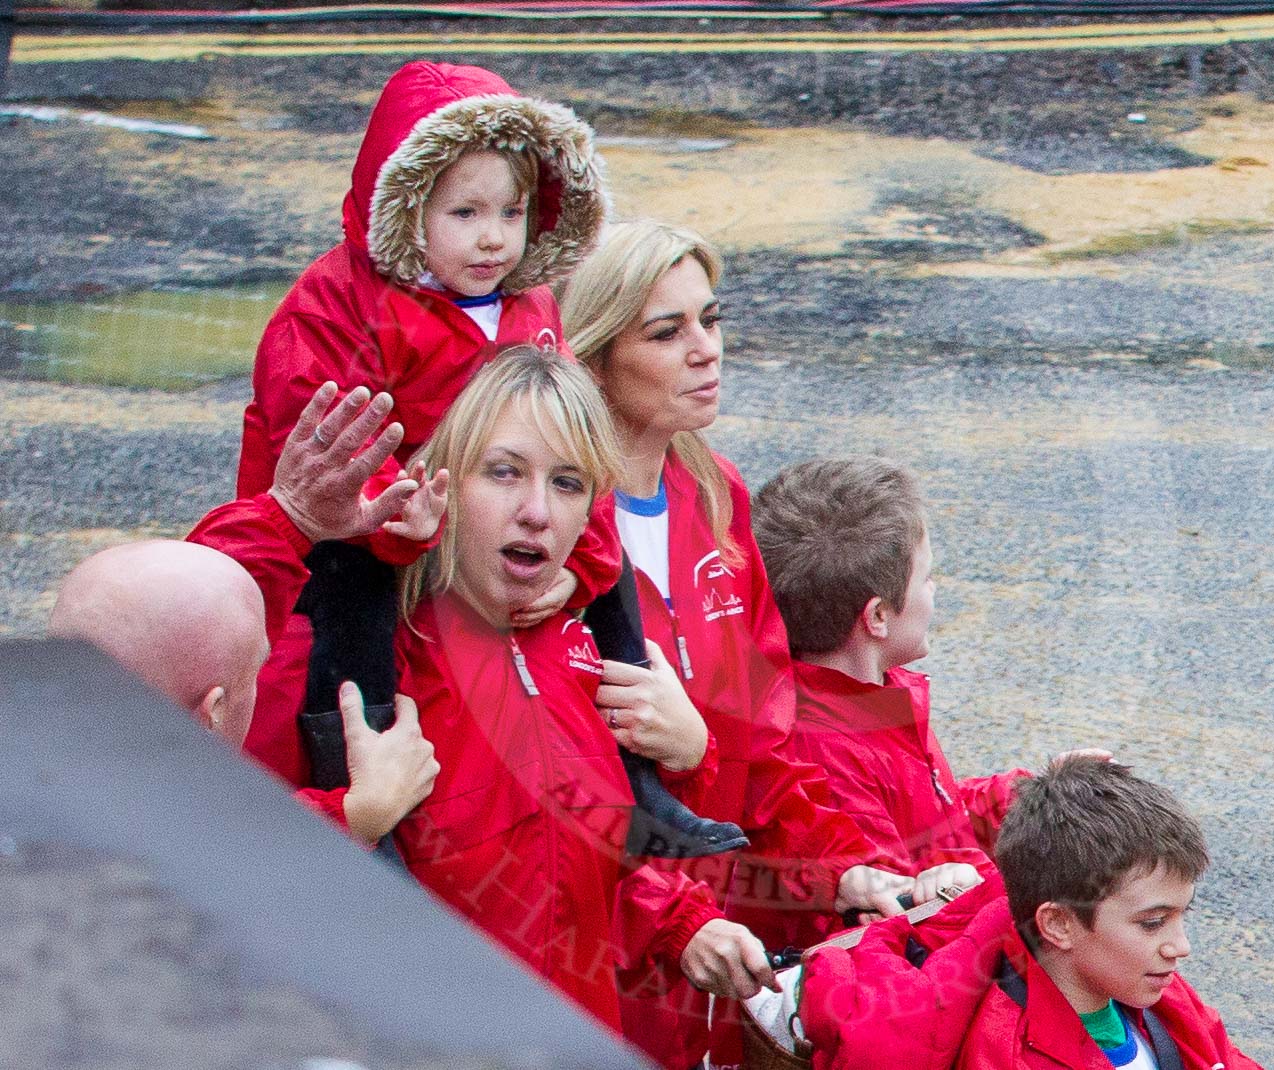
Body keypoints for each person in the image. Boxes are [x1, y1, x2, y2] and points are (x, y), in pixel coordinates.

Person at [559, 219, 914, 1067]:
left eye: (710, 321)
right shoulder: (553, 527)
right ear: (595, 355)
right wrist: (693, 758)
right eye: (666, 332)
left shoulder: (715, 498)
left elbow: (769, 755)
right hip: (606, 964)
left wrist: (850, 873)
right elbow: (560, 804)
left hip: (718, 956)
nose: (705, 350)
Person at [232, 59, 617, 795]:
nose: (494, 240)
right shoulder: (338, 302)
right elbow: (318, 433)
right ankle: (350, 774)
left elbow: (572, 434)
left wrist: (585, 562)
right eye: (464, 214)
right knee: (348, 626)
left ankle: (642, 773)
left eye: (511, 213)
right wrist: (391, 513)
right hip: (361, 536)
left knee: (614, 579)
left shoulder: (528, 303)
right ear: (407, 209)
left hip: (475, 529)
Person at [389, 344, 777, 1033]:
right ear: (440, 479)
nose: (537, 511)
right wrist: (347, 815)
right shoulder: (382, 659)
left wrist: (683, 925)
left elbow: (576, 854)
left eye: (567, 484)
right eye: (504, 473)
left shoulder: (579, 652)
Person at [50, 385, 442, 847]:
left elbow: (185, 607)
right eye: (256, 670)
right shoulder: (126, 841)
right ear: (211, 714)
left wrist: (289, 517)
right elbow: (221, 849)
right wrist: (358, 813)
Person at [799, 757, 1264, 1070]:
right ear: (1059, 923)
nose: (1181, 947)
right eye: (1152, 923)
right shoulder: (1009, 1053)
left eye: (1182, 916)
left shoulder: (1156, 996)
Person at [751, 457, 1030, 945]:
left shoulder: (877, 693)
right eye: (926, 577)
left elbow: (929, 822)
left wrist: (1020, 802)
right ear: (877, 616)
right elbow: (902, 924)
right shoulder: (823, 753)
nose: (934, 589)